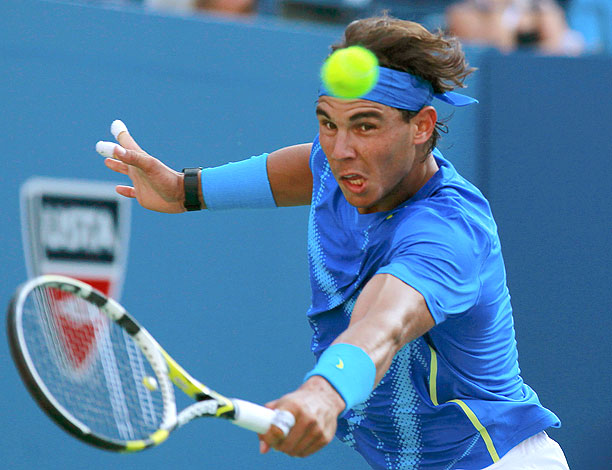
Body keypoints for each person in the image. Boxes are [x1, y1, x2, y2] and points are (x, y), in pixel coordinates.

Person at [96, 15, 570, 469]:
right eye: (328, 122)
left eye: (366, 125)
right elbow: (304, 168)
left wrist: (325, 392)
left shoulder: (447, 233)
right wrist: (185, 190)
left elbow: (385, 322)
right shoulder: (342, 167)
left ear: (422, 126)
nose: (341, 149)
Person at [446, 0, 584, 55]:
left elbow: (554, 46)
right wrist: (497, 9)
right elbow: (500, 47)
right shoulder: (463, 12)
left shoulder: (539, 8)